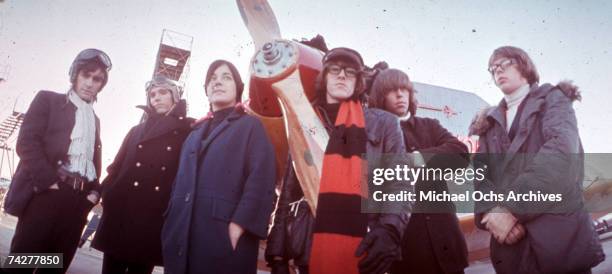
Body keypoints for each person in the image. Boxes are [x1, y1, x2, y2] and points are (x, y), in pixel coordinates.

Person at [265, 47, 409, 274]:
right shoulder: (304, 125)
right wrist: (277, 253)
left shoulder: (386, 124)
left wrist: (390, 231)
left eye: (350, 72)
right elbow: (288, 192)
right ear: (324, 77)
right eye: (334, 70)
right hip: (308, 249)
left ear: (359, 81)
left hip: (366, 249)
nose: (342, 75)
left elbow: (399, 184)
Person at [470, 46, 604, 273]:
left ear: (523, 65)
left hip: (559, 244)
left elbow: (560, 158)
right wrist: (491, 213)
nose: (497, 71)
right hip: (511, 248)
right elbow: (482, 175)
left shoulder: (553, 100)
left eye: (504, 64)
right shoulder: (488, 123)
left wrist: (510, 210)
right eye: (493, 69)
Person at [161, 60, 277, 274]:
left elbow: (262, 179)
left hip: (223, 236)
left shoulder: (251, 126)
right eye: (212, 79)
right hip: (181, 233)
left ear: (238, 88)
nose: (217, 82)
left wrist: (241, 224)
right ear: (206, 89)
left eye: (226, 77)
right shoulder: (194, 132)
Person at [3, 48, 111, 273]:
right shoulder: (49, 100)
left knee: (54, 265)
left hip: (76, 204)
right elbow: (27, 142)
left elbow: (92, 163)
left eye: (97, 79)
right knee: (22, 263)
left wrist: (93, 193)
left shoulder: (95, 120)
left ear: (102, 84)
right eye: (86, 75)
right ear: (75, 75)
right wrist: (48, 182)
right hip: (46, 195)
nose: (90, 83)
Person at [368, 68, 469, 274]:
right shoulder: (373, 133)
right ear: (380, 95)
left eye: (404, 89)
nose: (400, 95)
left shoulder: (429, 125)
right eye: (392, 90)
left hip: (446, 243)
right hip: (408, 249)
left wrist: (415, 159)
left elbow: (460, 154)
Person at [91, 76, 193, 274]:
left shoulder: (187, 131)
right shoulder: (136, 130)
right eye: (152, 94)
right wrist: (107, 194)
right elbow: (115, 168)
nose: (156, 98)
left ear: (175, 97)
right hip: (120, 214)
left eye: (163, 92)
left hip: (152, 219)